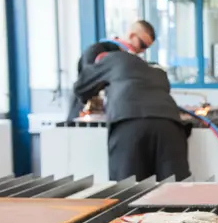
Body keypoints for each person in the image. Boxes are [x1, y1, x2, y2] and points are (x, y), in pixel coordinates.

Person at [73, 19, 191, 182]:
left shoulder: (113, 60)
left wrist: (93, 98)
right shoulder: (156, 71)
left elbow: (82, 87)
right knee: (175, 188)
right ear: (131, 35)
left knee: (129, 189)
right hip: (170, 125)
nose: (142, 50)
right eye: (142, 45)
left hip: (130, 124)